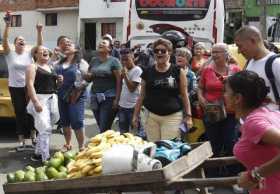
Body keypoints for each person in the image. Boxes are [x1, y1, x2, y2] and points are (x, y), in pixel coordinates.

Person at [223, 70, 280, 194]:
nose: (224, 96)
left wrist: (255, 175)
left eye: (226, 92)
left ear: (237, 98)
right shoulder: (270, 112)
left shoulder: (254, 122)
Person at [132, 38, 193, 142]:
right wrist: (135, 116)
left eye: (163, 51)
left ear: (169, 52)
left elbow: (184, 95)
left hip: (172, 117)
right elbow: (141, 96)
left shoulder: (178, 71)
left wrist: (188, 116)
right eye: (156, 51)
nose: (159, 53)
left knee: (168, 150)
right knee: (153, 147)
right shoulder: (147, 71)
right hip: (151, 117)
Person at [2, 16, 43, 151]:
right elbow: (5, 41)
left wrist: (39, 31)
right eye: (20, 40)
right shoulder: (9, 54)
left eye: (23, 40)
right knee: (19, 112)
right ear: (15, 43)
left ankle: (33, 136)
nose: (22, 41)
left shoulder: (28, 54)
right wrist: (8, 25)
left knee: (31, 112)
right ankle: (21, 140)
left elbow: (39, 46)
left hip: (28, 87)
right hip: (14, 88)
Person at [197, 43, 240, 159]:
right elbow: (200, 87)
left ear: (226, 54)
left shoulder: (235, 69)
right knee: (213, 143)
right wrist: (201, 99)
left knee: (230, 142)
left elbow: (242, 90)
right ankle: (213, 171)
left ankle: (231, 171)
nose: (214, 54)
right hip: (212, 111)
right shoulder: (207, 70)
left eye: (217, 52)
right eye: (213, 52)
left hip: (230, 112)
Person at [234, 26, 280, 111]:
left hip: (269, 122)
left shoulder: (276, 63)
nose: (238, 51)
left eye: (240, 46)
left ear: (253, 41)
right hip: (247, 121)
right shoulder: (249, 62)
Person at [26, 46, 59, 162]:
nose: (45, 51)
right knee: (45, 128)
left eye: (46, 50)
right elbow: (30, 85)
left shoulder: (50, 66)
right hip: (40, 100)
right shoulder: (33, 66)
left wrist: (59, 81)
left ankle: (37, 154)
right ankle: (46, 158)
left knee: (45, 127)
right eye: (41, 50)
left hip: (52, 99)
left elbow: (53, 85)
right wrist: (35, 102)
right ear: (35, 55)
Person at [55, 42, 88, 151]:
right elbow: (51, 73)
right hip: (62, 95)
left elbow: (86, 80)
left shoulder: (81, 63)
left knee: (77, 121)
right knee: (64, 121)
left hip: (76, 96)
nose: (67, 45)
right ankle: (68, 144)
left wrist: (76, 93)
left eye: (70, 44)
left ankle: (81, 147)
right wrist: (58, 81)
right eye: (66, 45)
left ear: (76, 50)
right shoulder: (59, 62)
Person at [85, 39, 122, 132]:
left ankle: (106, 144)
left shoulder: (114, 61)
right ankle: (108, 143)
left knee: (104, 126)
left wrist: (117, 99)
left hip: (109, 97)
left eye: (104, 43)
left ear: (109, 48)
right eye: (99, 43)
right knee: (100, 124)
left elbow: (119, 81)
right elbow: (89, 78)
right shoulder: (94, 60)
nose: (100, 44)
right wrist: (87, 76)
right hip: (94, 96)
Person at [118, 48, 145, 138]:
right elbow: (120, 87)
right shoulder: (124, 70)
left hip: (133, 107)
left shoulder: (137, 70)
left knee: (138, 135)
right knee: (123, 134)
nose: (124, 62)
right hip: (122, 106)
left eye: (127, 59)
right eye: (122, 60)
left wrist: (125, 75)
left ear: (133, 58)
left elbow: (132, 89)